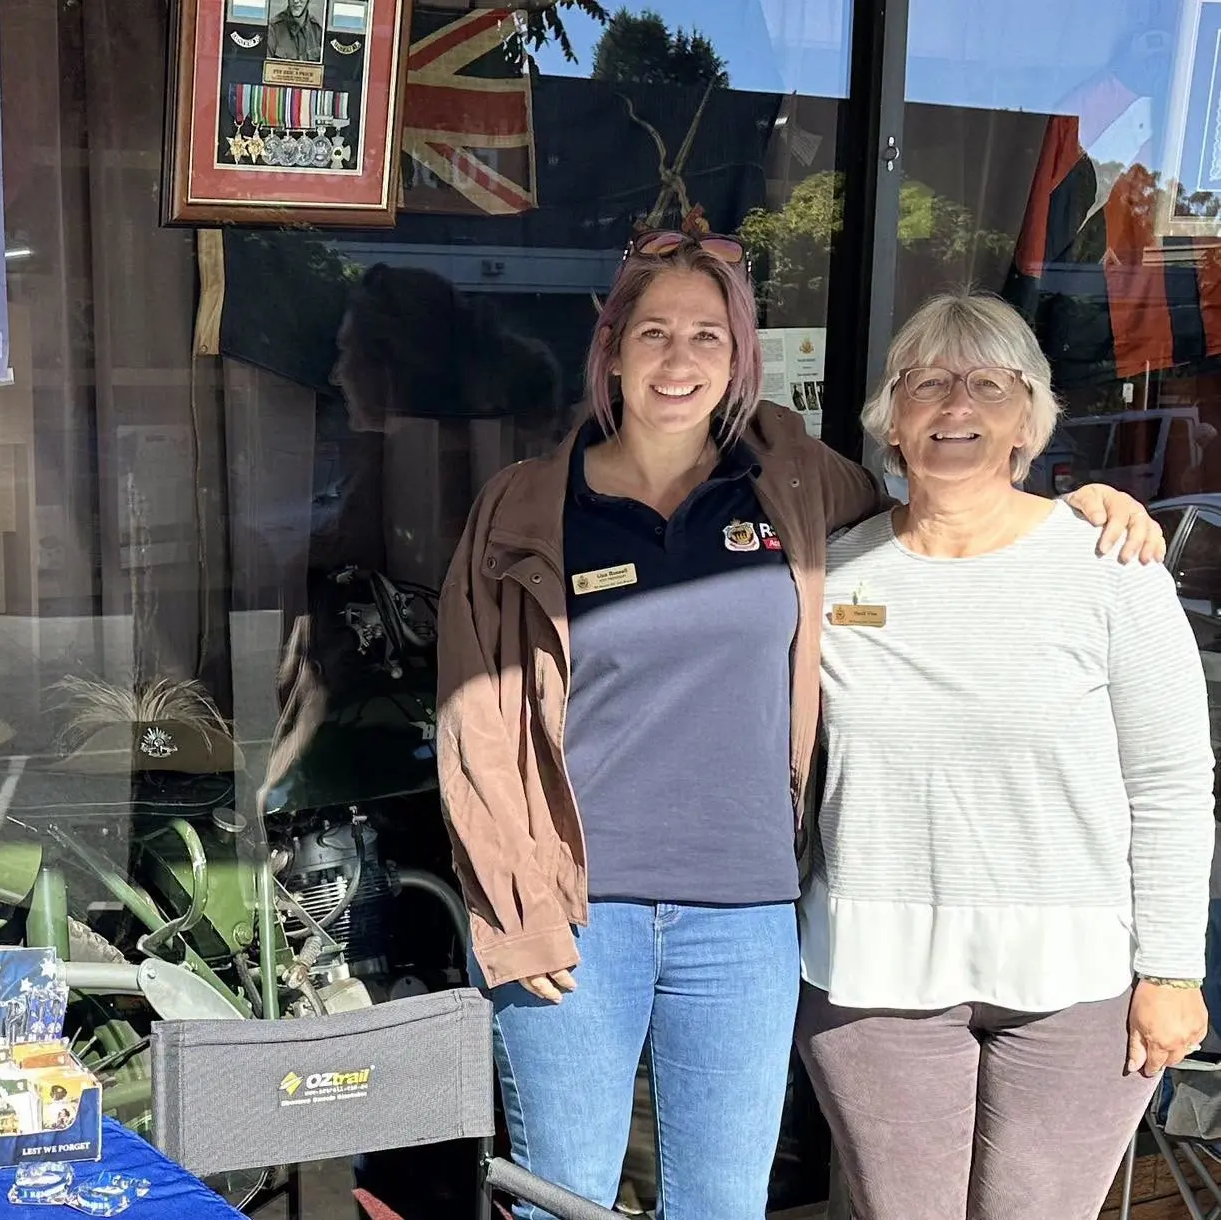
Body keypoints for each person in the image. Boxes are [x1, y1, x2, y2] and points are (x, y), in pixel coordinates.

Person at [436, 230, 1167, 1219]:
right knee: (564, 1197)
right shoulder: (527, 504)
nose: (679, 357)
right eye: (654, 332)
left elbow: (943, 513)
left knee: (725, 1203)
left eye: (708, 334)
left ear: (741, 355)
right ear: (612, 352)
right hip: (575, 916)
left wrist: (1080, 507)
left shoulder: (791, 483)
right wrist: (518, 908)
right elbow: (474, 720)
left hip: (745, 921)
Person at [796, 292, 1214, 1220]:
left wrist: (1173, 969)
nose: (958, 406)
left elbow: (1173, 784)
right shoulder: (829, 573)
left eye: (990, 386)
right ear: (892, 421)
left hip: (1078, 983)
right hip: (873, 973)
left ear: (1028, 420)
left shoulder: (1111, 569)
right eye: (929, 384)